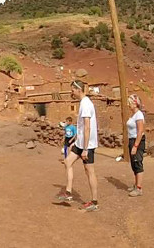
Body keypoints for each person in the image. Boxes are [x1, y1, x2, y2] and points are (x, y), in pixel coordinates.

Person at [56, 80, 99, 212]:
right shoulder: (82, 103)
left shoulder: (86, 104)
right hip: (80, 143)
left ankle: (94, 202)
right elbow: (81, 128)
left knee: (89, 171)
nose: (71, 92)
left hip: (88, 145)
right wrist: (77, 141)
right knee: (67, 161)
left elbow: (87, 127)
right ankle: (68, 193)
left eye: (72, 90)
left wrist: (85, 149)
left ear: (78, 89)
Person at [126, 94, 146, 197]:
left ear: (135, 103)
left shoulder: (139, 115)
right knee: (134, 164)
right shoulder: (133, 115)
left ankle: (139, 188)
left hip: (137, 141)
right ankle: (136, 184)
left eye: (130, 103)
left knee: (138, 163)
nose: (128, 105)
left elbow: (140, 131)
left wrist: (135, 145)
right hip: (132, 140)